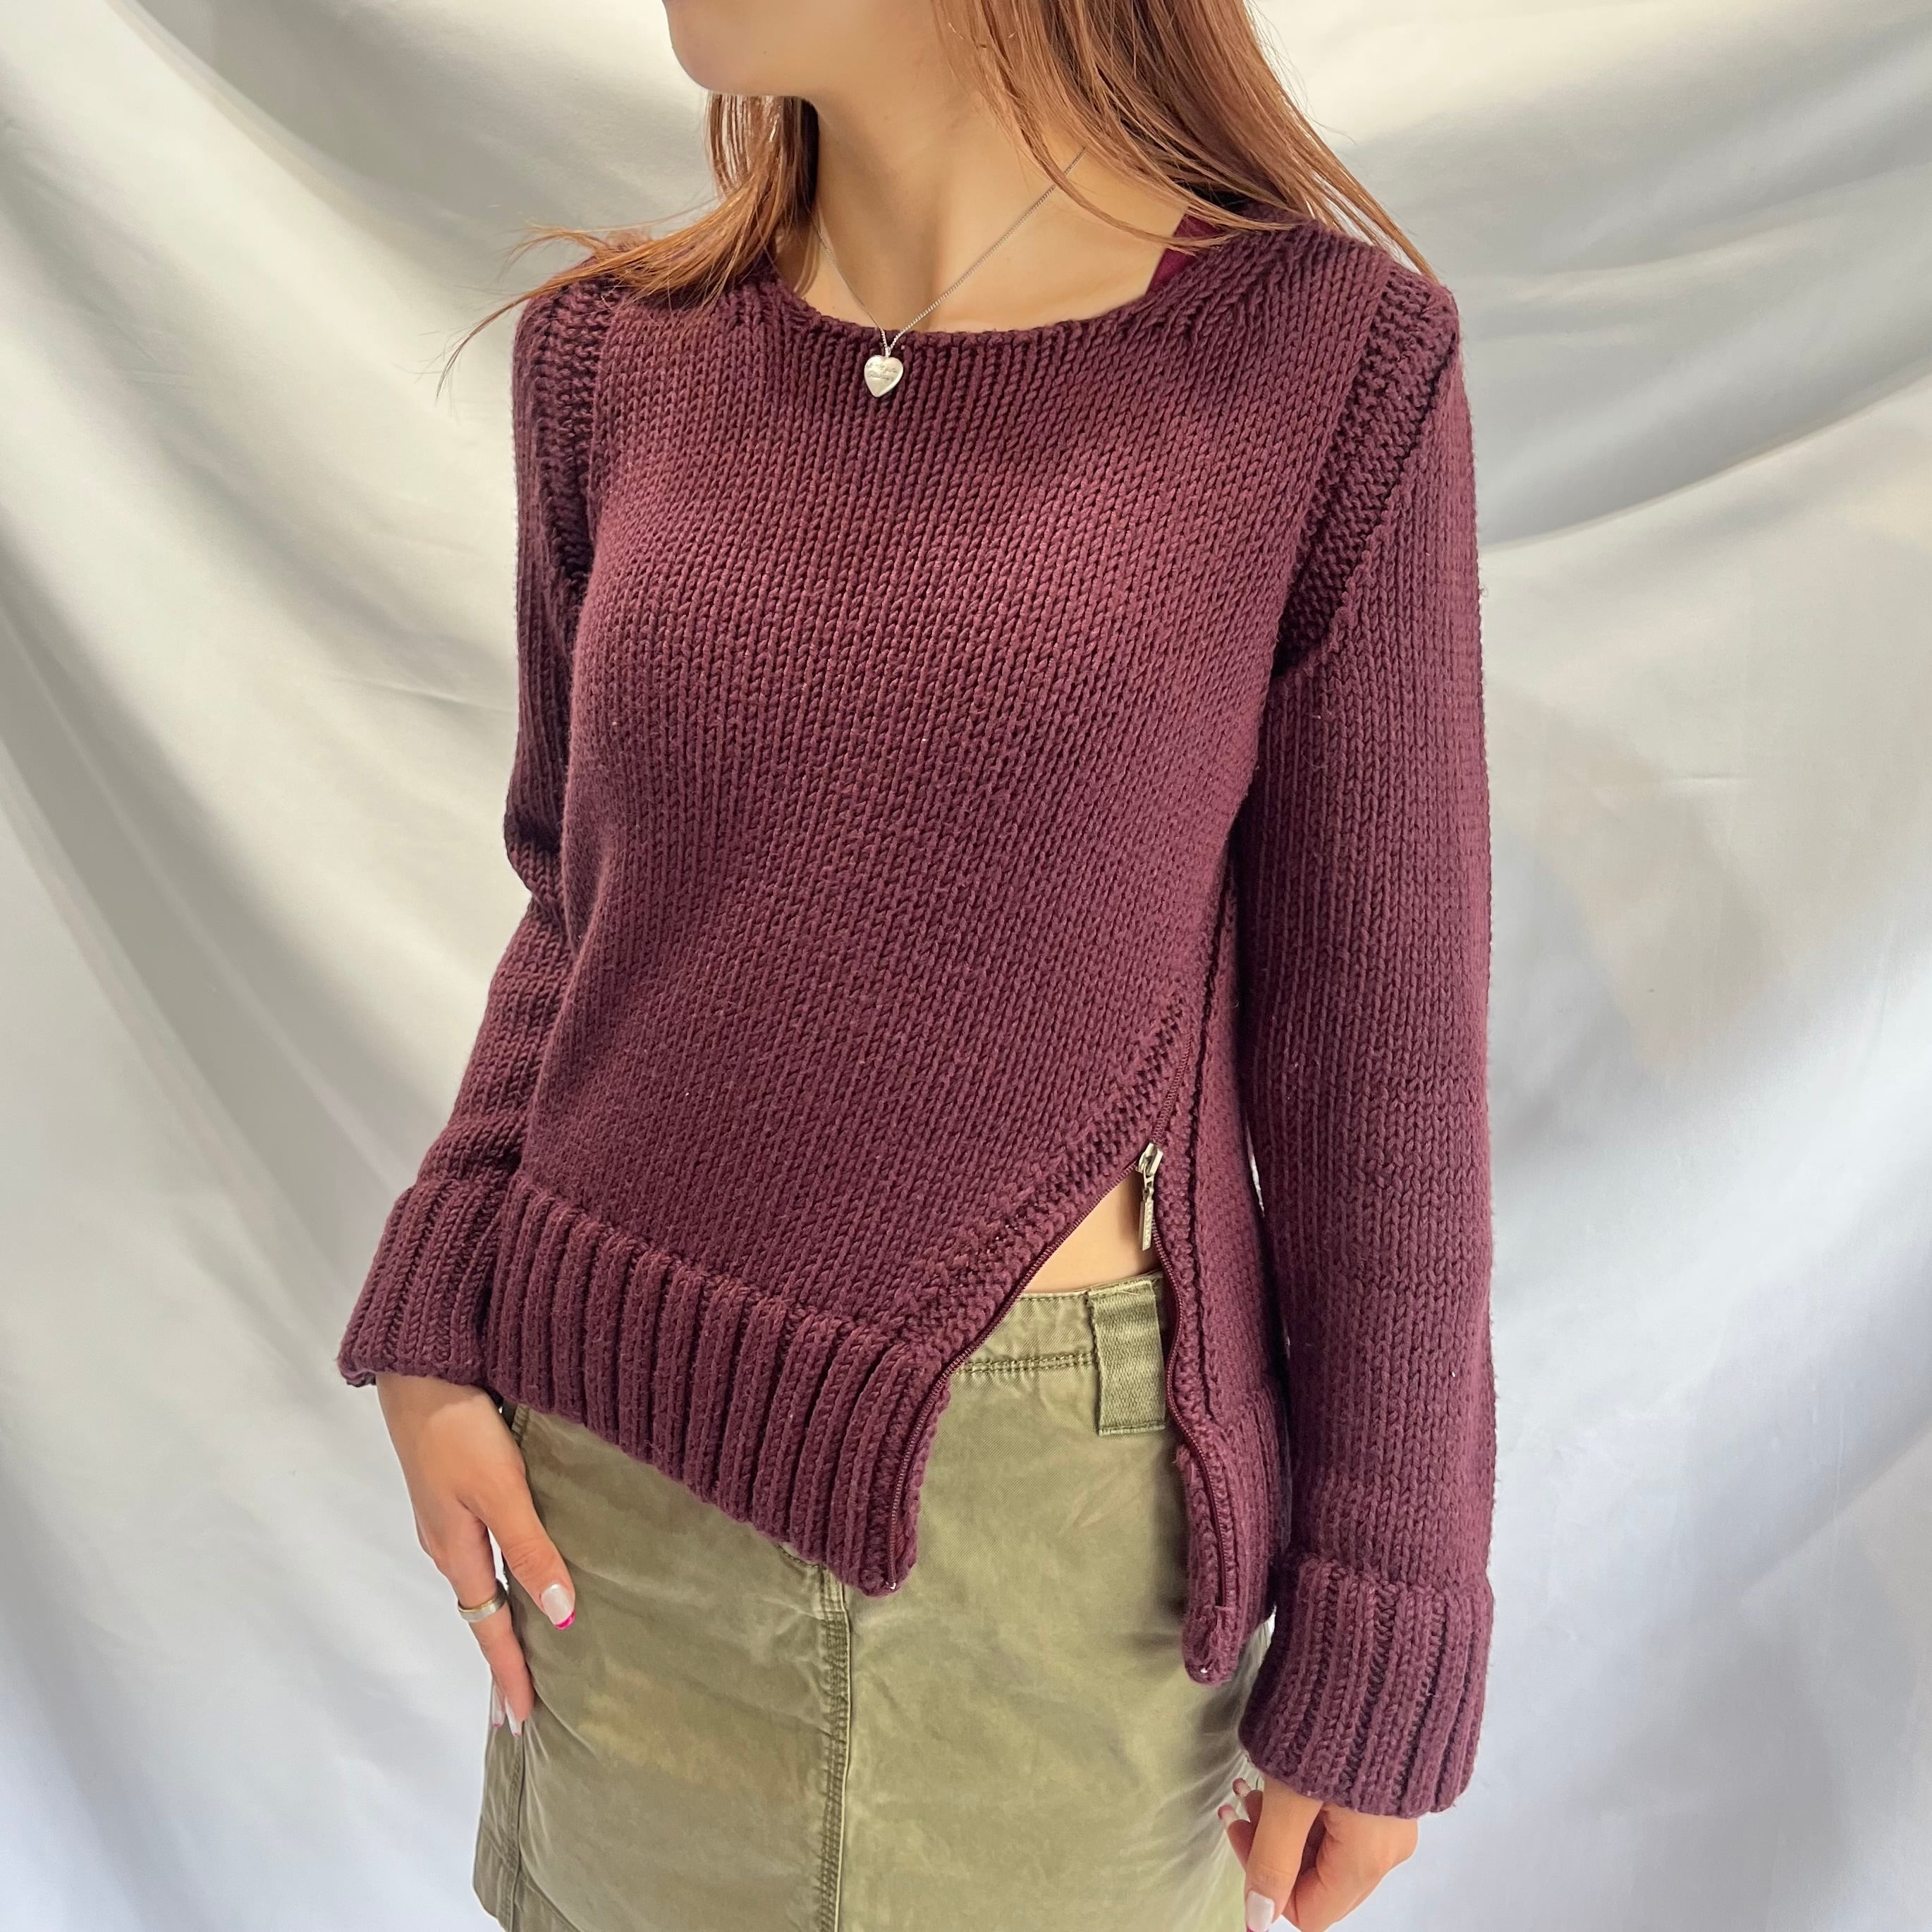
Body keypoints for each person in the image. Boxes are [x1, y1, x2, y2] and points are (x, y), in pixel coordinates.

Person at [334, 2, 1498, 1928]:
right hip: (602, 1484)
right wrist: (441, 1301)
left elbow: (1376, 1060)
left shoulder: (1320, 370)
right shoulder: (617, 357)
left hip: (1037, 1537)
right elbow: (579, 896)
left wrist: (1391, 1616)